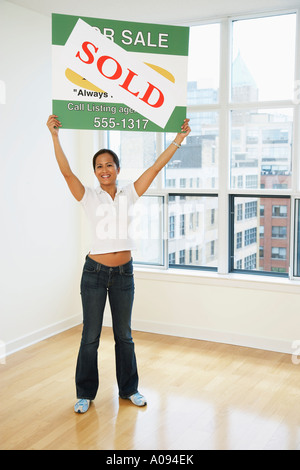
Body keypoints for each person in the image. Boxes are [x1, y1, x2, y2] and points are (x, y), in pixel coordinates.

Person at [46, 114, 191, 414]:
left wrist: (178, 139)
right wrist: (55, 136)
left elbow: (155, 167)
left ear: (117, 169)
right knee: (91, 336)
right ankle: (85, 393)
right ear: (96, 172)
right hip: (94, 275)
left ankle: (129, 389)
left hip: (124, 274)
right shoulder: (88, 196)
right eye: (99, 166)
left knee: (124, 335)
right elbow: (66, 173)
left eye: (108, 164)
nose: (104, 170)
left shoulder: (129, 193)